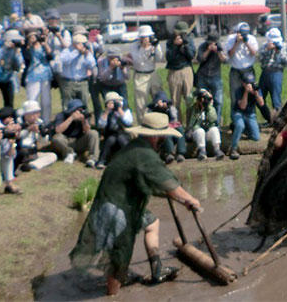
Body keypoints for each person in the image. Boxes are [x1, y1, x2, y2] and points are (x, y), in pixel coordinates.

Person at [70, 112, 201, 296]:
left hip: (121, 202)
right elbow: (169, 184)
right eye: (163, 135)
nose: (164, 138)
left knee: (152, 223)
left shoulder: (137, 147)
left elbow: (158, 182)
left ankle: (157, 268)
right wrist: (190, 200)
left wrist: (180, 199)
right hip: (116, 209)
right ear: (156, 136)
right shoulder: (144, 155)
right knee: (119, 258)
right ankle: (113, 295)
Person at [127, 25, 164, 124]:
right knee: (140, 103)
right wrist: (143, 48)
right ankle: (142, 124)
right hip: (140, 75)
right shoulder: (134, 46)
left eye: (147, 37)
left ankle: (159, 122)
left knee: (159, 98)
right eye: (143, 37)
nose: (145, 39)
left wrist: (155, 47)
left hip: (152, 73)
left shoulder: (154, 44)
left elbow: (159, 59)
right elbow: (138, 61)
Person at [51, 99, 100, 167]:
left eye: (81, 110)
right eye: (78, 110)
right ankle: (69, 153)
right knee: (56, 138)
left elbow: (88, 131)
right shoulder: (61, 115)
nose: (80, 112)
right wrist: (71, 118)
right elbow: (58, 130)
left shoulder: (83, 115)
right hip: (65, 142)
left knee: (94, 133)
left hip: (78, 141)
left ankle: (93, 159)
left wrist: (84, 121)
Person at [225, 22, 259, 119]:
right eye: (242, 33)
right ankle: (235, 120)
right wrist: (237, 42)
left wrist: (246, 42)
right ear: (237, 32)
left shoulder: (251, 39)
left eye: (246, 33)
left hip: (248, 70)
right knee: (234, 96)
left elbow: (254, 53)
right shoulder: (231, 39)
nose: (244, 35)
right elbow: (229, 54)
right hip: (235, 70)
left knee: (251, 94)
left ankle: (251, 119)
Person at [0, 29, 23, 115]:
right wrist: (4, 48)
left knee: (9, 104)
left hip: (7, 79)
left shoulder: (15, 49)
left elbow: (17, 67)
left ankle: (8, 122)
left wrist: (16, 52)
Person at [165, 21, 195, 124]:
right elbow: (169, 58)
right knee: (175, 101)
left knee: (189, 99)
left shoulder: (189, 40)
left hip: (186, 70)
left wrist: (185, 45)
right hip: (174, 71)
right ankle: (178, 125)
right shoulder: (170, 42)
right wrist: (175, 45)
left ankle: (190, 126)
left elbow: (191, 56)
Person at [257, 28, 287, 122]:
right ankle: (269, 119)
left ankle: (278, 122)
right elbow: (259, 59)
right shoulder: (264, 46)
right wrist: (267, 49)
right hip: (265, 73)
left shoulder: (283, 46)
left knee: (276, 100)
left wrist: (279, 52)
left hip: (276, 73)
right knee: (258, 97)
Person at [230, 72, 265, 160]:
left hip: (250, 114)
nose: (250, 84)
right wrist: (246, 92)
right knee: (240, 125)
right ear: (243, 83)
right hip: (238, 112)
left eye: (251, 82)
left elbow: (261, 104)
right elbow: (242, 106)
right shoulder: (238, 90)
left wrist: (256, 94)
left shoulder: (256, 89)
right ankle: (233, 148)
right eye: (248, 83)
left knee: (256, 137)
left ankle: (240, 129)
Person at [21, 30, 54, 122]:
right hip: (32, 76)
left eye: (34, 36)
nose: (32, 38)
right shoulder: (27, 48)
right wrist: (28, 45)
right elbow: (26, 57)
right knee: (33, 101)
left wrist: (45, 44)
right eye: (30, 37)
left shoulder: (43, 47)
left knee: (46, 101)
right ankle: (33, 121)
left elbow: (51, 56)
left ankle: (46, 121)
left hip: (46, 75)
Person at [147, 91, 187, 164]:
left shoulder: (171, 108)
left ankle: (181, 153)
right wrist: (158, 108)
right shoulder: (152, 109)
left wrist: (166, 109)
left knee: (180, 129)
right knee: (167, 133)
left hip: (171, 127)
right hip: (159, 131)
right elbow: (150, 120)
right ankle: (169, 153)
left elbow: (174, 119)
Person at [59, 34, 96, 112]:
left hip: (82, 82)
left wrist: (86, 54)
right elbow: (65, 61)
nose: (83, 45)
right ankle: (67, 122)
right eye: (81, 43)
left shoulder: (87, 52)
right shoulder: (67, 51)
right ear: (75, 43)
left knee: (84, 104)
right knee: (67, 105)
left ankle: (85, 122)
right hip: (68, 82)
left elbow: (92, 64)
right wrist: (77, 52)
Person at [96, 92, 133, 169]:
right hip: (111, 134)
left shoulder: (125, 110)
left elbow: (129, 122)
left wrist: (119, 110)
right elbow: (100, 125)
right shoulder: (105, 112)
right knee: (110, 140)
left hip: (124, 134)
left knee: (122, 139)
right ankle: (102, 161)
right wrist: (107, 111)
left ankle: (130, 160)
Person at [17, 100, 57, 171]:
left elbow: (43, 142)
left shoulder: (39, 122)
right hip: (21, 151)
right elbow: (18, 137)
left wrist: (42, 134)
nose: (36, 116)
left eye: (37, 113)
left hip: (33, 151)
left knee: (53, 156)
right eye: (33, 113)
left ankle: (32, 165)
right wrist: (28, 129)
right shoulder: (19, 122)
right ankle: (25, 163)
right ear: (26, 114)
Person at [196, 32, 226, 121]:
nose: (211, 44)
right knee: (201, 100)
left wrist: (218, 51)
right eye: (210, 42)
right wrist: (208, 50)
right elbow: (200, 59)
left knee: (218, 101)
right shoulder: (203, 46)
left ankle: (216, 123)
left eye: (213, 43)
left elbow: (224, 60)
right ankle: (202, 121)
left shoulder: (220, 46)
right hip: (203, 75)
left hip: (215, 76)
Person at [186, 88, 223, 161]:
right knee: (200, 131)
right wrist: (195, 93)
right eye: (201, 98)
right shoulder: (193, 108)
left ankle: (217, 150)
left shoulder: (210, 108)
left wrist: (208, 106)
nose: (203, 101)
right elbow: (188, 100)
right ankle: (202, 151)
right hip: (196, 133)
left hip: (207, 132)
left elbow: (213, 119)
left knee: (214, 129)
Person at [0, 107, 22, 194]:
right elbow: (6, 153)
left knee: (12, 155)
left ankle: (9, 182)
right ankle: (9, 183)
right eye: (8, 118)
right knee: (7, 158)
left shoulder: (9, 133)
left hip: (4, 159)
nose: (11, 120)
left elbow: (13, 151)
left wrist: (15, 136)